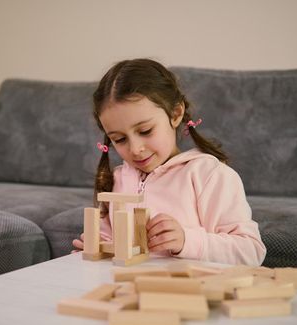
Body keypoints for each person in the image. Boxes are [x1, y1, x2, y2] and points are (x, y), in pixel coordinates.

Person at [72, 58, 266, 265]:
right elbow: (110, 242)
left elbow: (251, 251)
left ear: (176, 113)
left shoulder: (208, 175)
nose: (135, 149)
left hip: (185, 290)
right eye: (119, 139)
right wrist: (99, 247)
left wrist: (187, 241)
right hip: (129, 289)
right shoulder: (119, 178)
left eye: (145, 131)